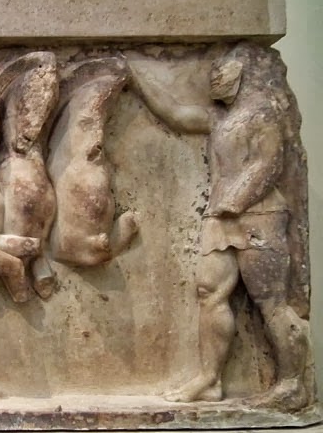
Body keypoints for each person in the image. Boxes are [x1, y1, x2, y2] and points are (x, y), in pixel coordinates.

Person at [132, 42, 310, 410]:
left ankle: (293, 384)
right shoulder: (220, 118)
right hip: (222, 217)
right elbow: (175, 114)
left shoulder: (263, 112)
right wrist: (134, 75)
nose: (214, 75)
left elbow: (268, 163)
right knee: (208, 291)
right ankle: (209, 380)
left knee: (271, 303)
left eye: (223, 68)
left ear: (244, 72)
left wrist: (235, 200)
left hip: (259, 216)